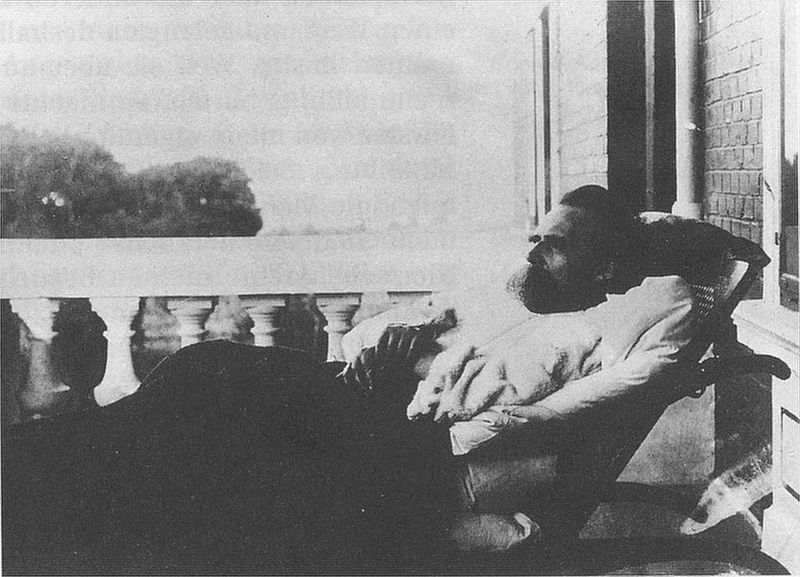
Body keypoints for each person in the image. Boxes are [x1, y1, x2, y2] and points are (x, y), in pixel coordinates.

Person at [1, 185, 737, 571]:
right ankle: (39, 476)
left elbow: (571, 409)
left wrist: (430, 416)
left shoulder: (606, 329)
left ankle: (35, 486)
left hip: (405, 439)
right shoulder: (524, 297)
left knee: (200, 410)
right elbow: (403, 332)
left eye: (555, 245)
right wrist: (384, 359)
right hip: (361, 395)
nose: (533, 253)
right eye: (536, 237)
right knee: (203, 370)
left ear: (608, 267)